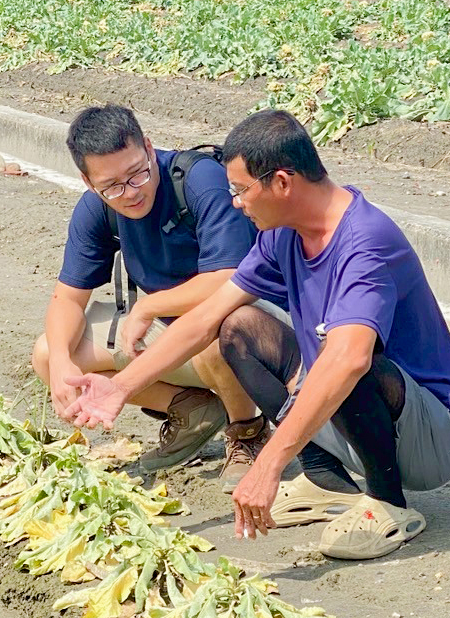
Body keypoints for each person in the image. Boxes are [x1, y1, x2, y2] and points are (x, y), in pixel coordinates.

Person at [65, 109, 450, 560]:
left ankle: (388, 503)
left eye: (241, 190)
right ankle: (326, 479)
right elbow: (205, 319)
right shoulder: (283, 234)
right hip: (365, 417)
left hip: (432, 438)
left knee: (343, 356)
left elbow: (351, 362)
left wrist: (270, 462)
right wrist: (122, 387)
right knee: (237, 328)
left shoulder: (364, 243)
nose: (236, 203)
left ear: (282, 182)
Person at [33, 104, 290, 479]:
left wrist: (149, 306)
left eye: (137, 174)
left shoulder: (199, 180)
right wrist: (59, 361)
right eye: (112, 187)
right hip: (168, 333)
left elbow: (229, 279)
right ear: (89, 183)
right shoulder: (96, 210)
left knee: (220, 331)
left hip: (251, 333)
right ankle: (190, 409)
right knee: (47, 351)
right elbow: (67, 299)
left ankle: (247, 432)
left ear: (150, 149)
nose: (130, 193)